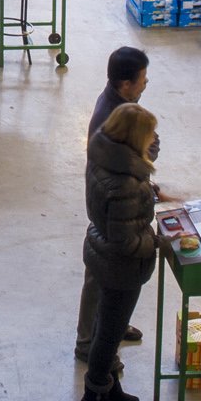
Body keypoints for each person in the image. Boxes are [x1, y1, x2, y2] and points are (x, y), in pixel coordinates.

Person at [78, 104, 158, 401]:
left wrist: (148, 193)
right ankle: (95, 398)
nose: (153, 141)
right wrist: (158, 243)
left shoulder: (104, 156)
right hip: (122, 268)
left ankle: (110, 388)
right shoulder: (126, 183)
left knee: (104, 325)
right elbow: (125, 241)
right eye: (150, 135)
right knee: (109, 335)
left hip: (100, 253)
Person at [76, 48, 151, 368]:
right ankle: (90, 343)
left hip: (105, 206)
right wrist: (155, 243)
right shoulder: (114, 116)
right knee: (104, 276)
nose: (146, 85)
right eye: (143, 80)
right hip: (109, 213)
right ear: (125, 84)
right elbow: (147, 151)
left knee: (101, 275)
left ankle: (110, 328)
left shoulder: (118, 106)